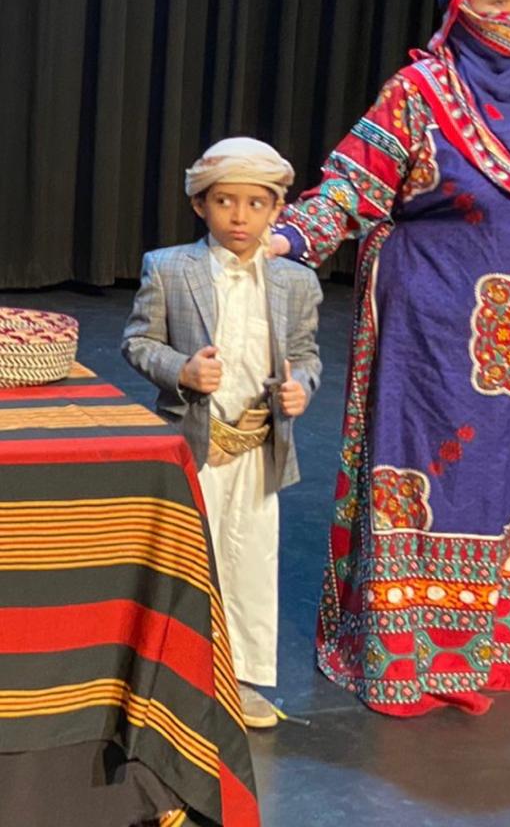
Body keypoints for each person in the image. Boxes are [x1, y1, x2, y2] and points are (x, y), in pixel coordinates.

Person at [269, 0, 510, 716]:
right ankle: (416, 658)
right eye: (498, 2)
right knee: (436, 480)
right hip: (437, 324)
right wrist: (287, 236)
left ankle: (501, 651)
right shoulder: (418, 91)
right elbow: (353, 183)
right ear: (459, 8)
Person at [122, 137, 322, 728]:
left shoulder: (295, 282)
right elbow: (138, 342)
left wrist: (301, 388)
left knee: (251, 566)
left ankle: (241, 681)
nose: (240, 216)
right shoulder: (168, 268)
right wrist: (181, 370)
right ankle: (178, 682)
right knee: (189, 563)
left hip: (258, 447)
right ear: (200, 205)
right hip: (196, 444)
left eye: (256, 203)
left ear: (277, 209)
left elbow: (306, 355)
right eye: (225, 201)